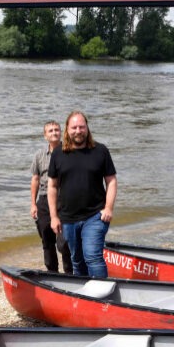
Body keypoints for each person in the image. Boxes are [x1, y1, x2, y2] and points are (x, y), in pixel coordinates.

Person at [48, 111, 117, 277]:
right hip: (68, 218)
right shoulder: (58, 153)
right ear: (67, 129)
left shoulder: (100, 151)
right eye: (74, 127)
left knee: (92, 256)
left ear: (87, 128)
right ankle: (84, 293)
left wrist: (108, 208)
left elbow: (111, 181)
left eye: (81, 127)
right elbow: (52, 186)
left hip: (95, 215)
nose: (78, 131)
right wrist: (54, 216)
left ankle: (103, 294)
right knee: (76, 259)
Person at [30, 120, 73, 273]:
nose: (54, 133)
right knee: (47, 242)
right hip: (43, 201)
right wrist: (33, 204)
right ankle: (52, 273)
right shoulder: (39, 156)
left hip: (64, 201)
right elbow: (35, 179)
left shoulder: (69, 152)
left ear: (61, 132)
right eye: (50, 131)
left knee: (64, 242)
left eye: (57, 130)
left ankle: (69, 273)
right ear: (45, 135)